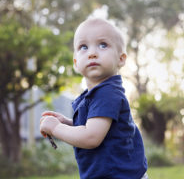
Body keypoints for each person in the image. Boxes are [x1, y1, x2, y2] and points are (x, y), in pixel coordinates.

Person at [40, 18, 148, 179]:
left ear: (121, 58)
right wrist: (67, 123)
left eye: (103, 45)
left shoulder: (107, 93)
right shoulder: (97, 94)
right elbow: (97, 126)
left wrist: (56, 128)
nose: (92, 53)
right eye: (83, 47)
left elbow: (91, 137)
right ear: (76, 63)